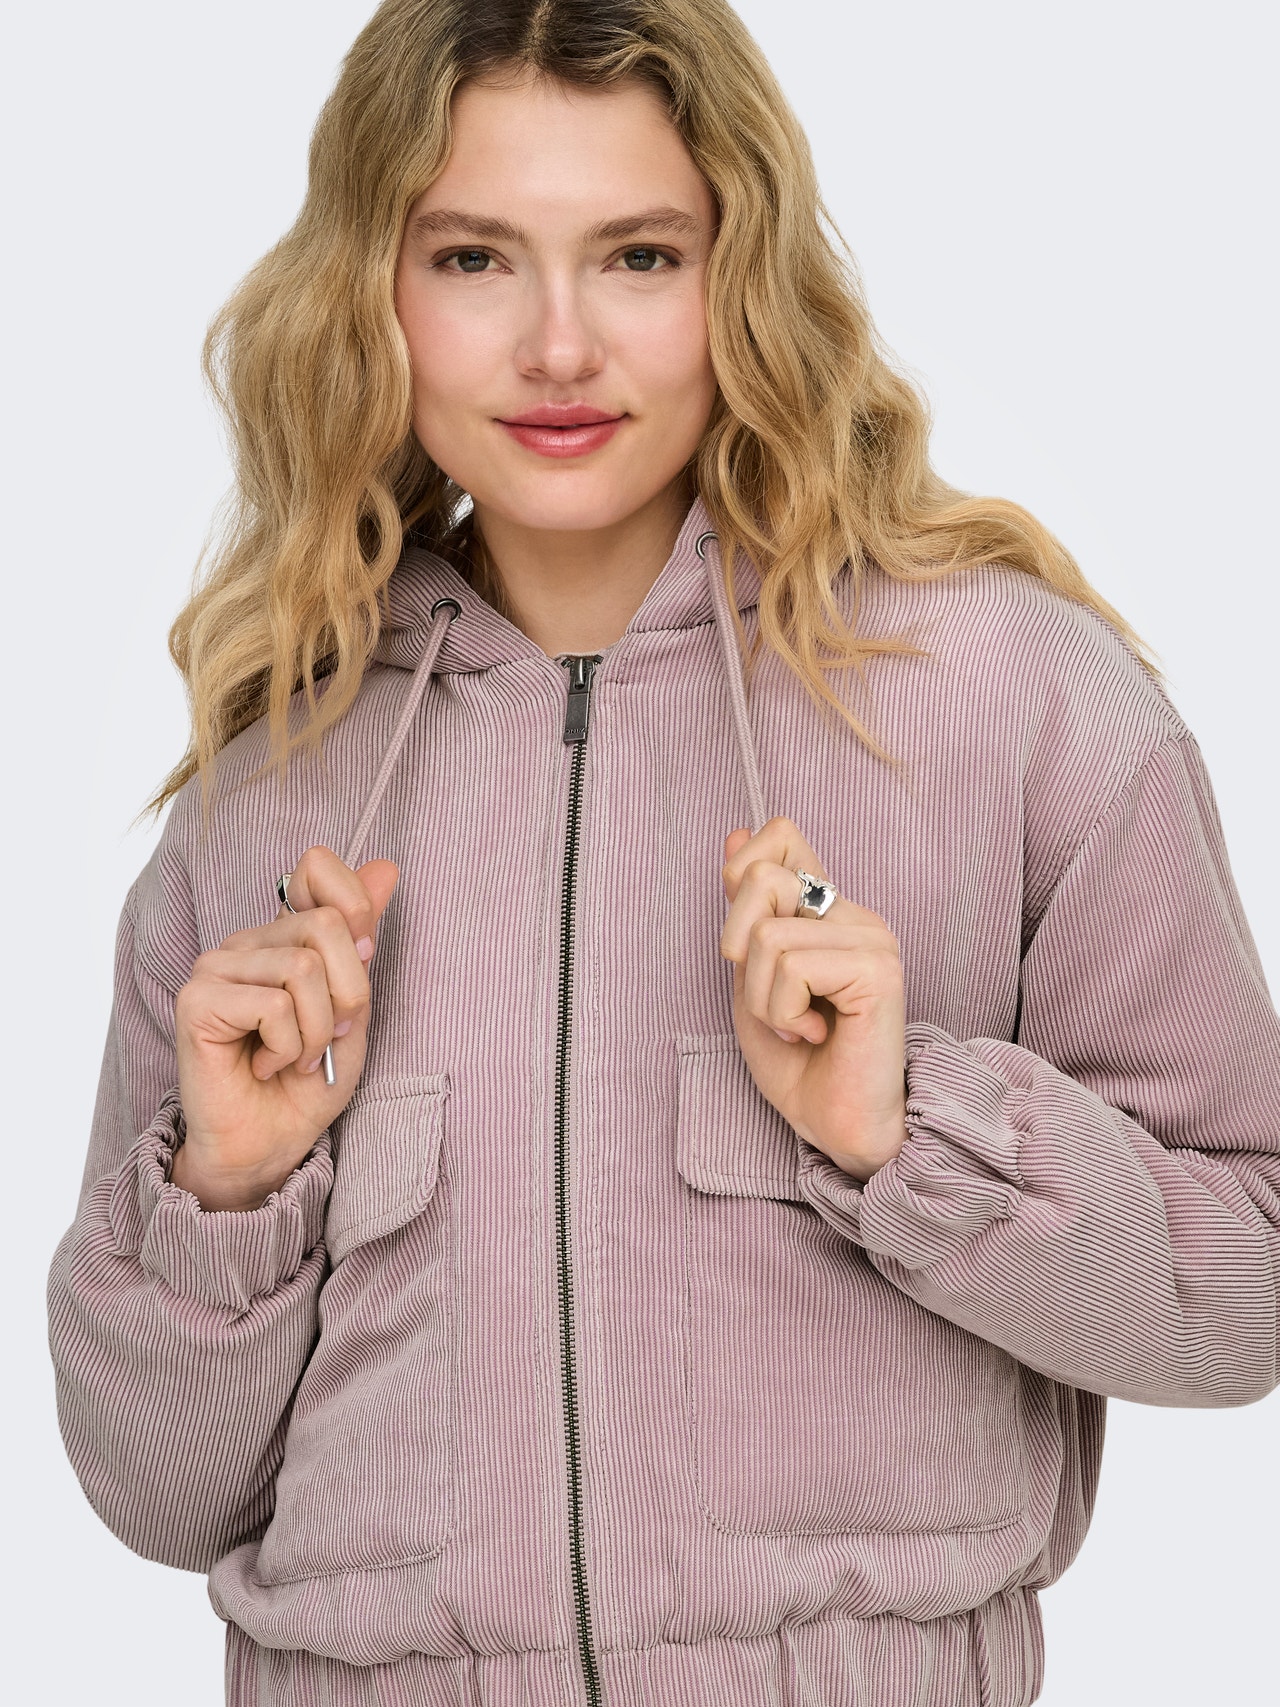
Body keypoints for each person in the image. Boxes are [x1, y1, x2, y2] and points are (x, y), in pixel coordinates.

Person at [46, 1, 1280, 1704]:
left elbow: (1248, 1290)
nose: (559, 347)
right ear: (373, 295)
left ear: (740, 278)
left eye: (638, 256)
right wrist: (230, 1191)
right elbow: (158, 1498)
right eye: (474, 259)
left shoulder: (1010, 699)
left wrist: (906, 1126)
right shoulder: (272, 785)